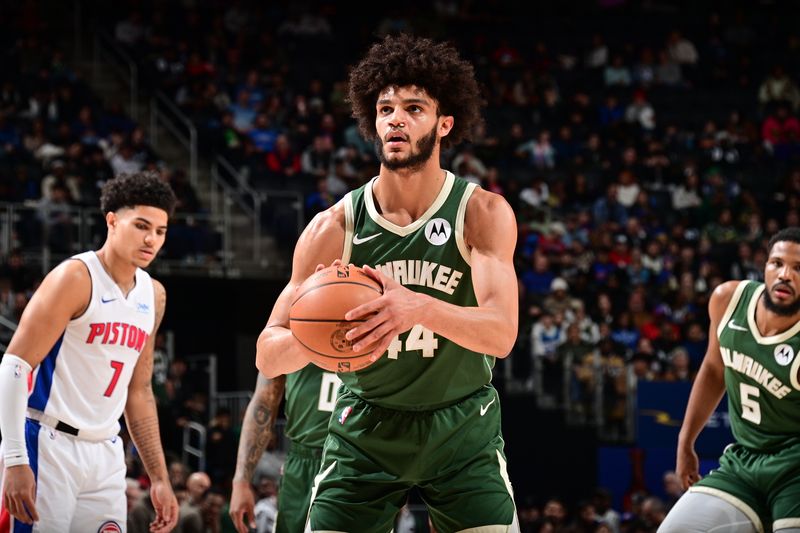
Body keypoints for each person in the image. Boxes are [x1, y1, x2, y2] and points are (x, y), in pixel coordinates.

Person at [256, 33, 519, 531]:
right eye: (385, 109)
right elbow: (268, 352)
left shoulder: (480, 213)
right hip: (365, 427)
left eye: (414, 108)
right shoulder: (334, 227)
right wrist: (322, 339)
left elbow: (502, 333)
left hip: (462, 425)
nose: (395, 118)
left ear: (445, 123)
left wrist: (416, 308)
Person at [0, 172, 179, 531]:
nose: (151, 239)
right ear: (112, 221)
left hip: (107, 453)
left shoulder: (153, 294)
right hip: (49, 445)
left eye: (160, 231)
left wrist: (159, 477)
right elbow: (15, 366)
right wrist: (15, 458)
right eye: (141, 225)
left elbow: (140, 390)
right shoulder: (76, 277)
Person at [659, 227, 800, 533]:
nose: (785, 275)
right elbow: (713, 368)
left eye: (798, 268)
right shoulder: (728, 299)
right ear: (764, 266)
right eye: (777, 263)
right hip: (744, 462)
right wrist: (686, 440)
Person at [228, 367, 342, 533]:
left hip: (352, 459)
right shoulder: (284, 340)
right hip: (302, 462)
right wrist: (241, 481)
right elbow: (264, 401)